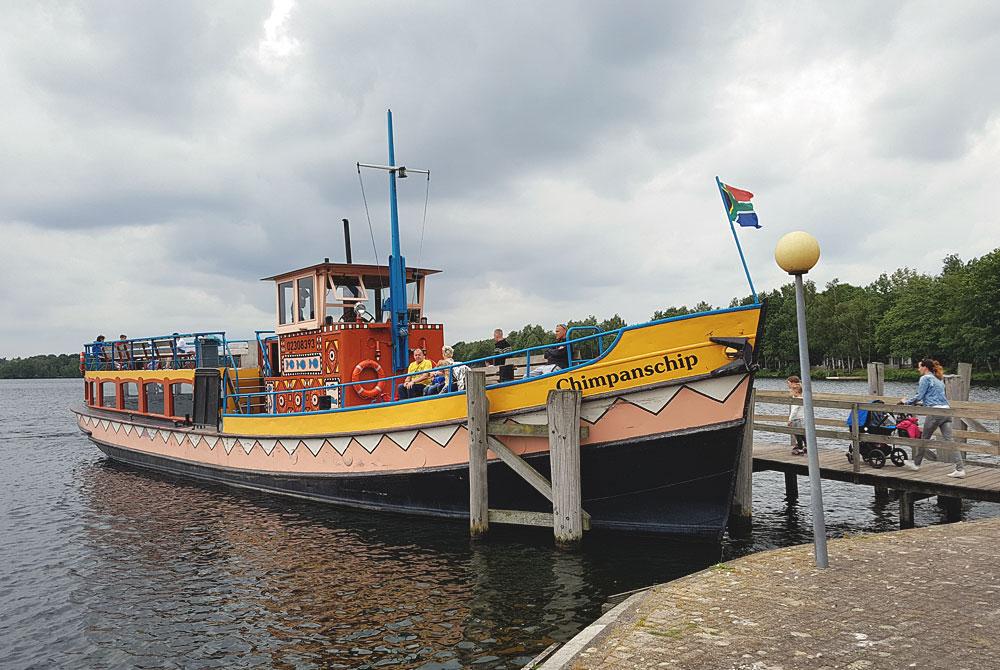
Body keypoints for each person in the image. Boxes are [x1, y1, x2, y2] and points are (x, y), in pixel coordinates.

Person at [901, 358, 964, 478]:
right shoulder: (938, 379)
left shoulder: (925, 378)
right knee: (950, 441)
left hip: (935, 412)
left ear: (925, 367)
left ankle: (916, 464)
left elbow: (919, 396)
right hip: (946, 411)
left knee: (924, 438)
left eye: (919, 366)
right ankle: (960, 468)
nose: (918, 369)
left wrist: (906, 402)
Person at [786, 375, 806, 455]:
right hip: (801, 418)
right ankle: (807, 446)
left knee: (797, 434)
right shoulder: (801, 397)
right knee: (802, 433)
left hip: (796, 419)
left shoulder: (797, 400)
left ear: (796, 392)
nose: (790, 392)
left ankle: (800, 448)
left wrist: (789, 420)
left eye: (791, 391)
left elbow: (794, 411)